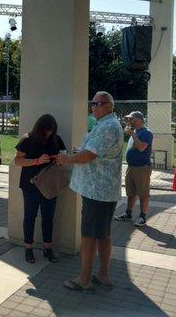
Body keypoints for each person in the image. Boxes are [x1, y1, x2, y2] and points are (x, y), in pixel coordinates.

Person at [55, 91, 123, 291]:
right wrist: (78, 152)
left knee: (89, 236)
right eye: (92, 103)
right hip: (100, 191)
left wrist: (68, 158)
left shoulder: (109, 126)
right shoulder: (104, 124)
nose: (94, 106)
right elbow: (91, 151)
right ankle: (102, 274)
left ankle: (84, 278)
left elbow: (89, 156)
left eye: (98, 103)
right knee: (102, 234)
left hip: (97, 192)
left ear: (109, 106)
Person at [15, 114, 66, 264]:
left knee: (48, 217)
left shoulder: (57, 139)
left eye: (51, 131)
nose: (49, 134)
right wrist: (37, 161)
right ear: (39, 129)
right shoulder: (28, 138)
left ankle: (47, 248)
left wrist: (61, 160)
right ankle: (28, 248)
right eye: (46, 131)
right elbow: (17, 160)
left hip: (50, 185)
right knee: (30, 216)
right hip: (30, 185)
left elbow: (64, 159)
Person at [114, 111, 153, 227]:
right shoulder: (134, 131)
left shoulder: (146, 133)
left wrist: (133, 135)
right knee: (131, 192)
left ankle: (142, 217)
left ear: (139, 119)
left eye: (131, 119)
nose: (129, 121)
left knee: (143, 193)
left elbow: (141, 148)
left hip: (142, 168)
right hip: (131, 167)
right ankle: (128, 213)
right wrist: (131, 132)